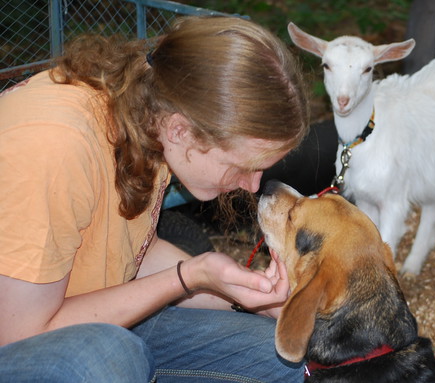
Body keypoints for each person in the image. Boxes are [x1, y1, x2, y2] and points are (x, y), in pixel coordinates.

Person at [0, 15, 309, 382]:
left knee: (281, 360)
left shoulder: (149, 123)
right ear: (182, 130)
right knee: (108, 355)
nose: (253, 186)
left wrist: (247, 296)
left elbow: (132, 254)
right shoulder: (55, 147)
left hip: (91, 322)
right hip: (33, 340)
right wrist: (191, 276)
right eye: (243, 166)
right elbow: (20, 334)